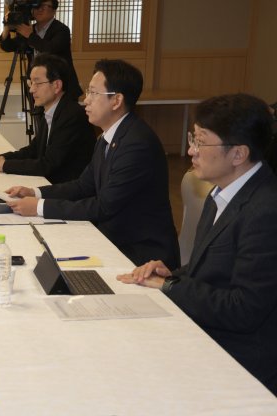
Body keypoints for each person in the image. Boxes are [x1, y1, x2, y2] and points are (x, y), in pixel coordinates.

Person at [117, 94, 277, 395]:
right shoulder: (222, 193)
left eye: (201, 142)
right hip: (210, 329)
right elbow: (214, 265)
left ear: (238, 154)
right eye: (193, 139)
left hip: (241, 360)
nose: (191, 150)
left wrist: (171, 286)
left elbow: (244, 309)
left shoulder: (266, 211)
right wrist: (172, 274)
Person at [6, 59, 180, 269]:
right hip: (115, 237)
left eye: (94, 93)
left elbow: (103, 207)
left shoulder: (137, 144)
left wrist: (39, 207)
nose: (86, 100)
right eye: (88, 92)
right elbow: (83, 186)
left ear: (116, 101)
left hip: (140, 254)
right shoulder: (108, 136)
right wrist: (35, 192)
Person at [0, 53, 94, 184]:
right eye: (31, 83)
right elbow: (33, 150)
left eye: (37, 83)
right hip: (52, 183)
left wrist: (3, 165)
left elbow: (48, 165)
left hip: (67, 188)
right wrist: (2, 158)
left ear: (57, 85)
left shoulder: (72, 115)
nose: (31, 90)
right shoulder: (51, 110)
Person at [0, 0, 82, 100]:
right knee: (39, 110)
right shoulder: (31, 29)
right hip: (37, 86)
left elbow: (50, 49)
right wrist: (7, 27)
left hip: (61, 86)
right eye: (36, 6)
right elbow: (7, 46)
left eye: (44, 6)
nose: (39, 9)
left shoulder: (62, 30)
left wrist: (30, 35)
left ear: (54, 10)